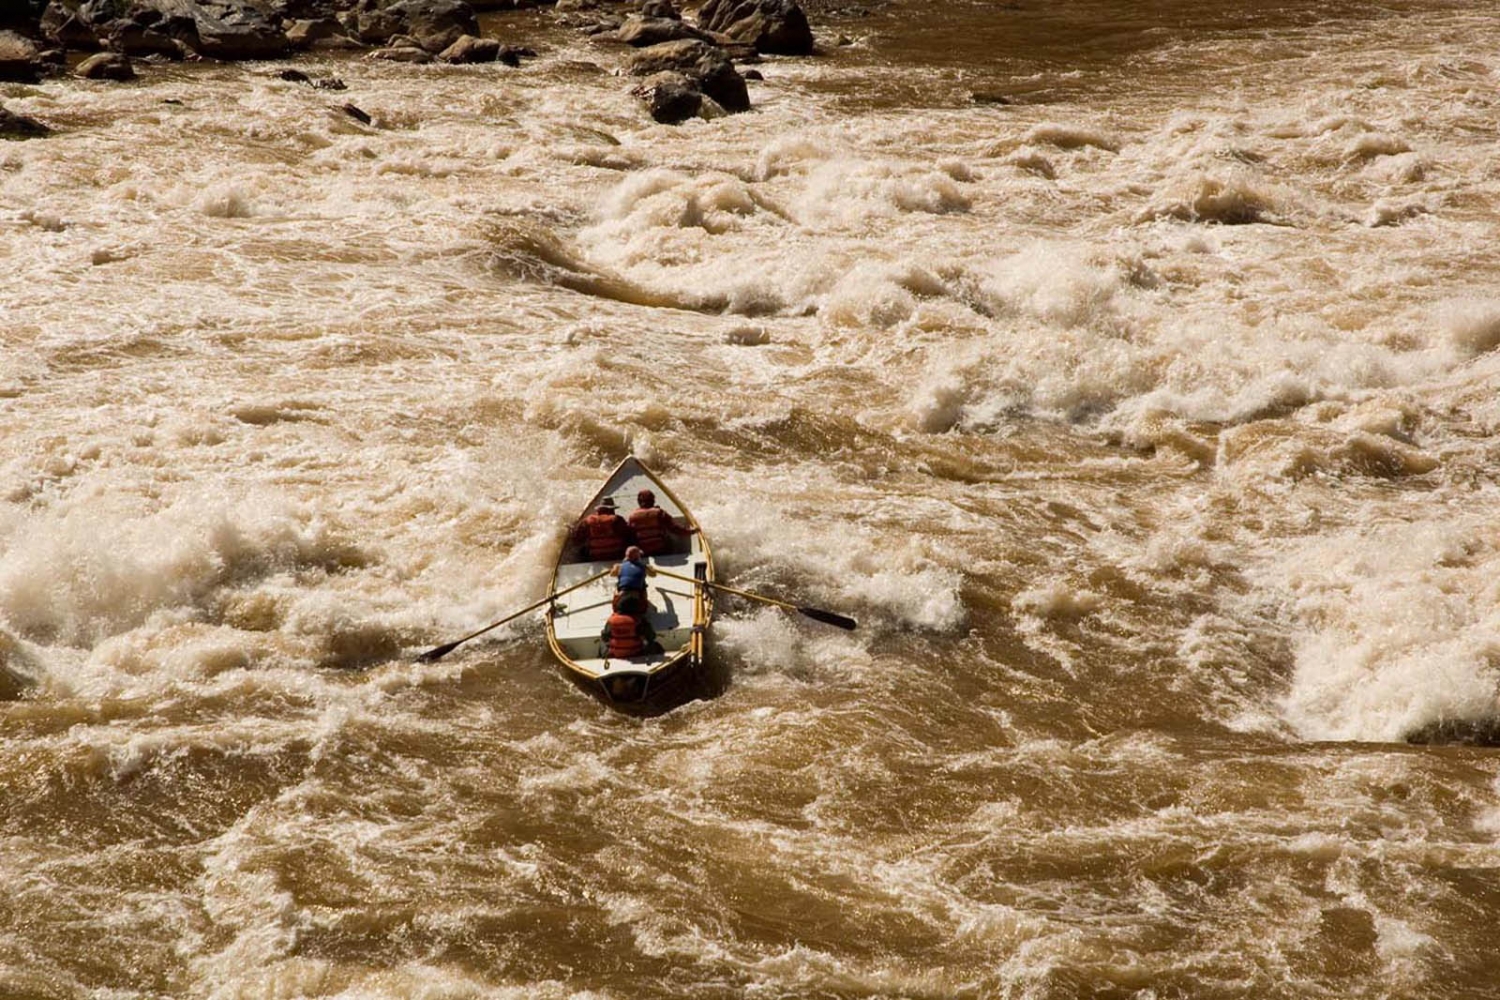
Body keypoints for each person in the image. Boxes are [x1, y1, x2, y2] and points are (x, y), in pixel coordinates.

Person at [627, 489, 695, 556]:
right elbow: (674, 528)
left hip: (644, 552)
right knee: (670, 539)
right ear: (653, 500)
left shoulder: (632, 517)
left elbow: (630, 535)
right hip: (661, 549)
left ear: (639, 502)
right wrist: (690, 531)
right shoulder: (659, 513)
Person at [601, 592, 659, 659]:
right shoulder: (639, 621)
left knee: (602, 643)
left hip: (616, 653)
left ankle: (602, 658)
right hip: (637, 652)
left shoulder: (611, 621)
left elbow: (605, 637)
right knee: (655, 645)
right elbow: (651, 636)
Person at [573, 496, 633, 561]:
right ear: (612, 509)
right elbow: (629, 536)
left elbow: (576, 538)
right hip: (616, 556)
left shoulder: (587, 521)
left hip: (595, 557)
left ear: (599, 510)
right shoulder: (618, 520)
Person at [612, 545, 651, 612]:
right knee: (643, 583)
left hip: (623, 592)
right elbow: (653, 575)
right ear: (638, 557)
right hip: (637, 592)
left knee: (618, 582)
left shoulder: (619, 566)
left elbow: (612, 574)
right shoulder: (644, 566)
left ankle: (616, 599)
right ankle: (644, 600)